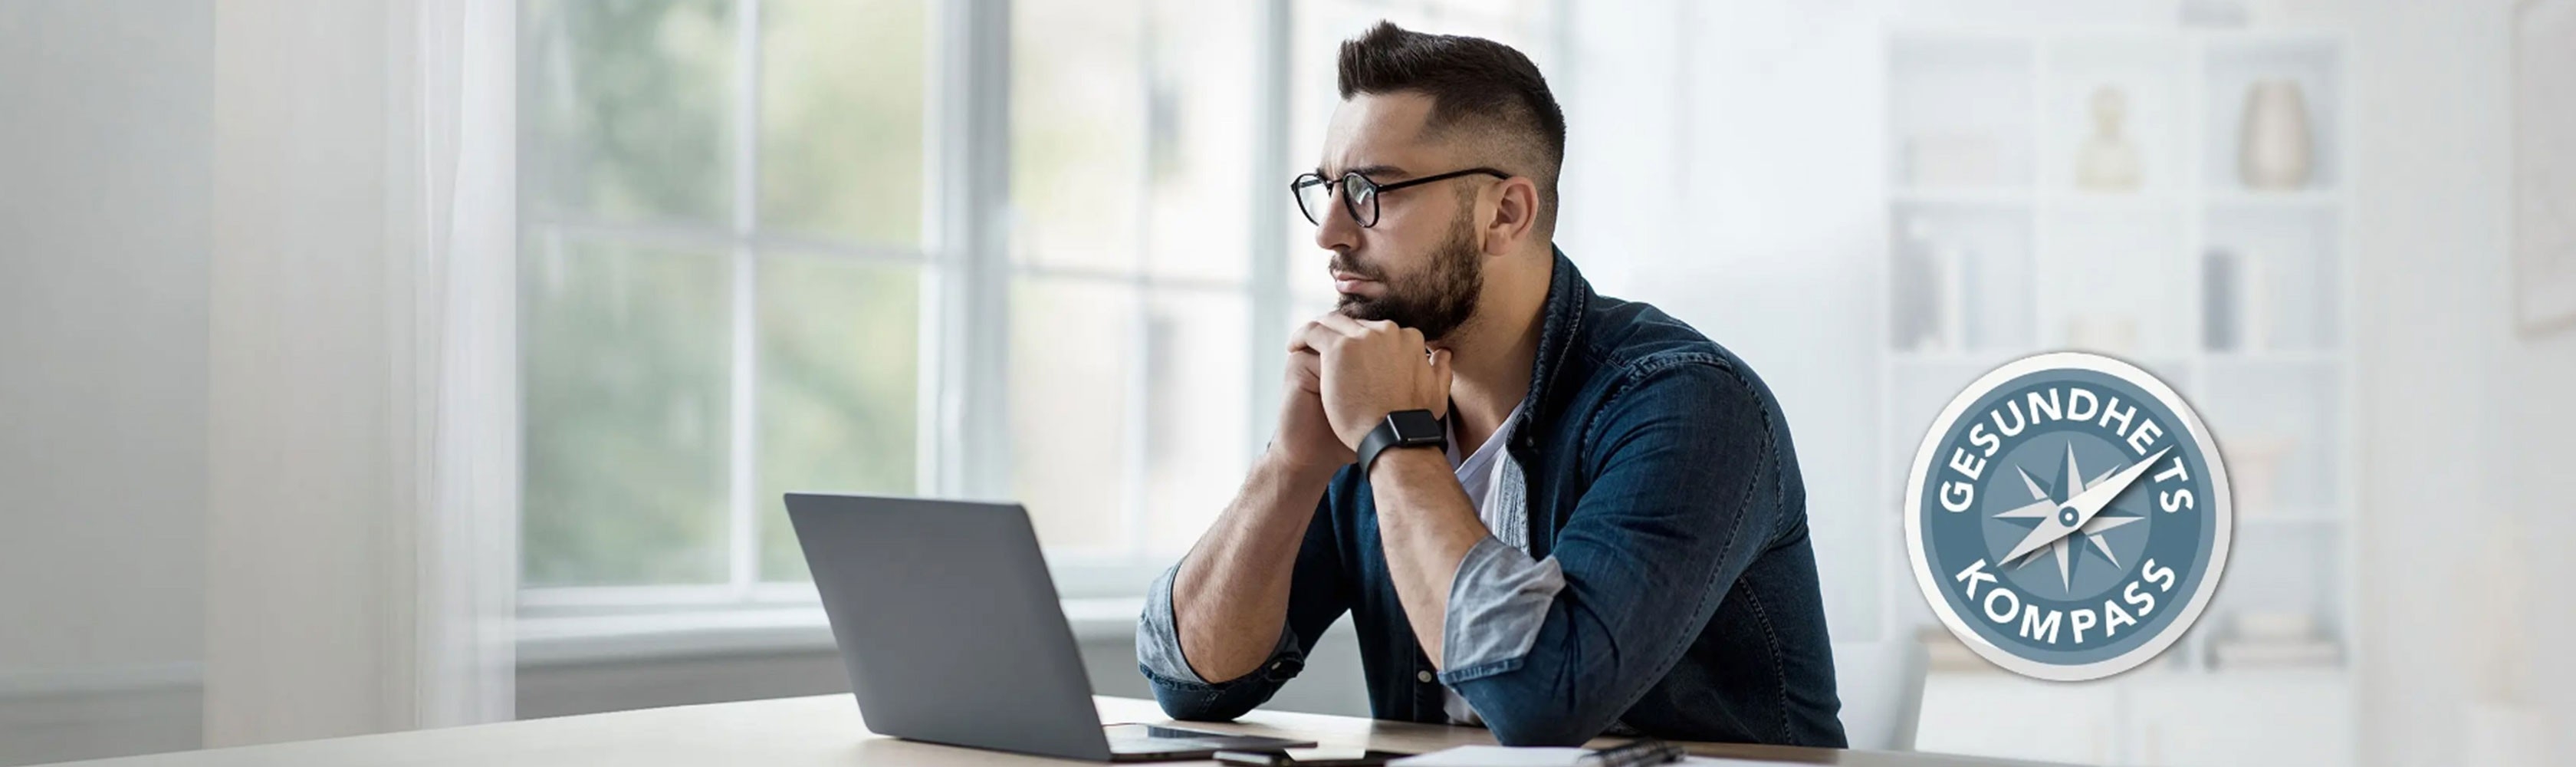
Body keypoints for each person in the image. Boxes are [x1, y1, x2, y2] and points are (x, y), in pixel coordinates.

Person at [1134, 21, 1845, 748]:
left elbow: (1546, 699)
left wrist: (1397, 443)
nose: (1331, 231)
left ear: (1505, 214)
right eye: (1325, 189)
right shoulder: (1370, 394)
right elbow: (1193, 683)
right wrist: (1289, 469)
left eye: (1369, 189)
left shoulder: (1689, 404)